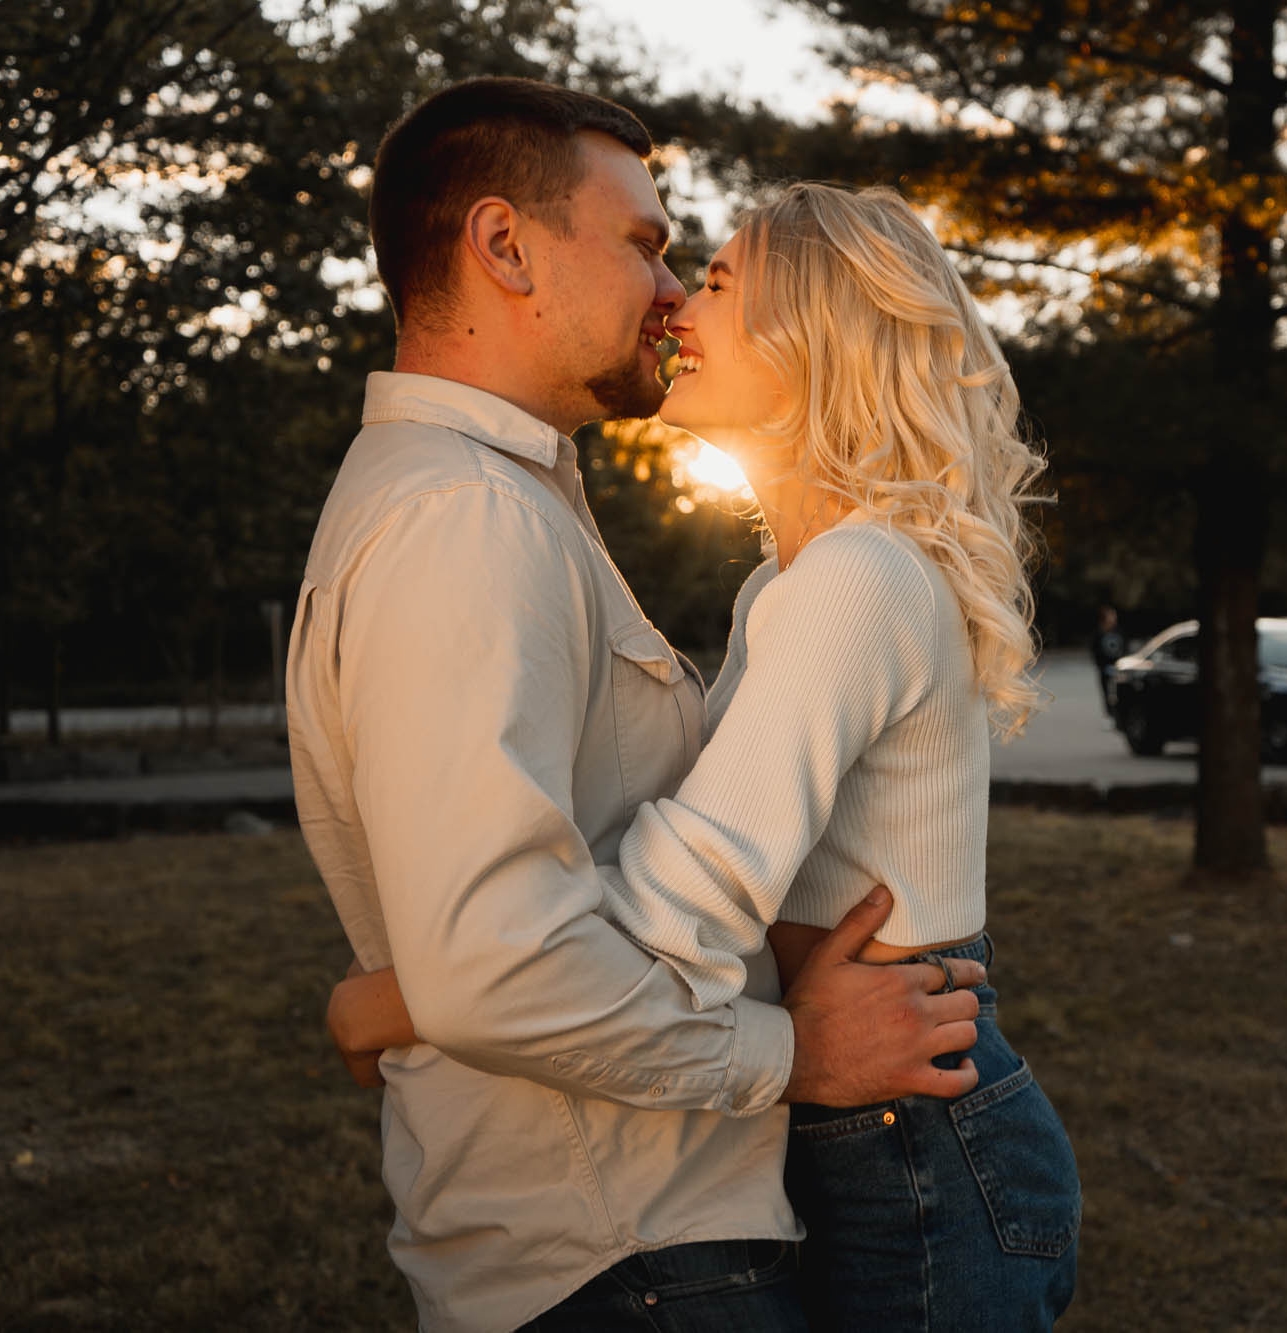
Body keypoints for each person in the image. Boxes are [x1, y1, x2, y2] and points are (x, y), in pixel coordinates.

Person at [286, 78, 988, 1333]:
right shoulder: (468, 518)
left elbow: (571, 905)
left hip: (652, 1227)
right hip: (627, 1244)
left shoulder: (504, 500)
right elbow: (505, 958)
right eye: (650, 248)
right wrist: (791, 1055)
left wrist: (398, 998)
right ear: (504, 246)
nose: (671, 294)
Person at [1091, 604, 1125, 717]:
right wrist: (1101, 665)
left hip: (1118, 667)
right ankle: (1109, 714)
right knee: (1106, 692)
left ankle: (1119, 714)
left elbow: (1124, 648)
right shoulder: (1099, 632)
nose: (1113, 618)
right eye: (1111, 615)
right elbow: (1094, 650)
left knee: (1119, 691)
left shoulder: (1119, 631)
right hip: (1104, 668)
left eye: (1114, 615)